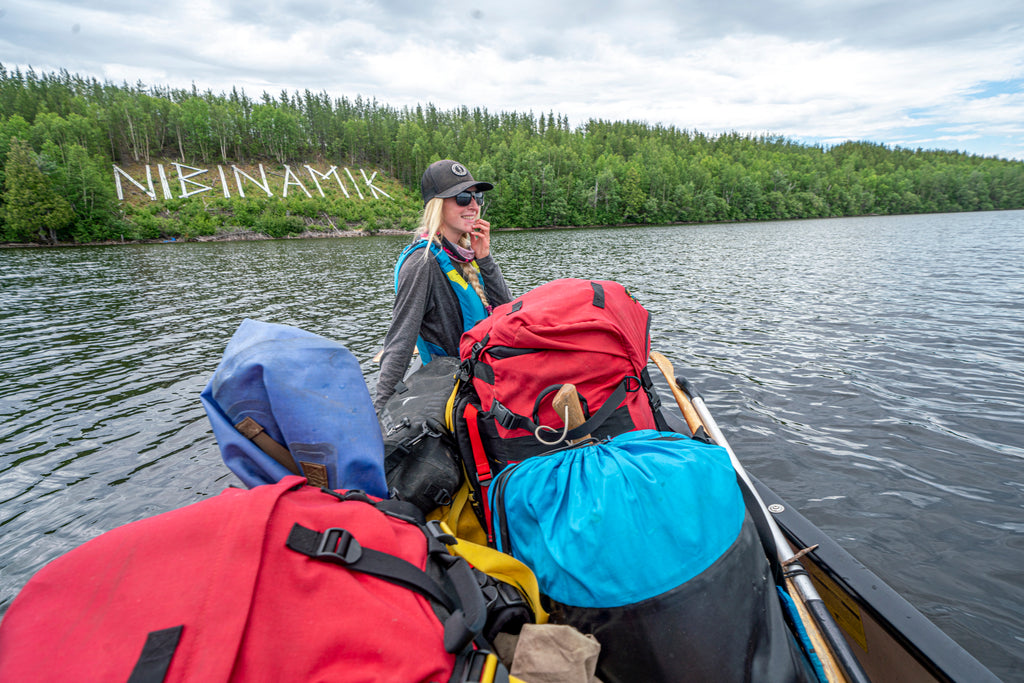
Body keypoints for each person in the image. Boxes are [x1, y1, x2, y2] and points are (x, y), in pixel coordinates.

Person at [374, 159, 513, 411]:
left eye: (477, 197)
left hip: (484, 382)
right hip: (457, 393)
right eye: (462, 198)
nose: (473, 205)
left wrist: (485, 259)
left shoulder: (466, 253)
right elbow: (400, 340)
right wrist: (380, 411)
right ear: (437, 205)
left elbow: (507, 312)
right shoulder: (422, 263)